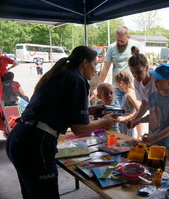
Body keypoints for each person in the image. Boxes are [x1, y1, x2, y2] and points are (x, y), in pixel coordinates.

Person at [6, 46, 119, 199]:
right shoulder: (78, 79)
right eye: (95, 65)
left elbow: (58, 108)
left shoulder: (61, 74)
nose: (96, 70)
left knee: (32, 194)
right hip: (36, 143)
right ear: (85, 62)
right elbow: (79, 128)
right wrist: (104, 121)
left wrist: (91, 110)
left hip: (20, 137)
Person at [131, 63, 169, 148]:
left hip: (165, 145)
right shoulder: (153, 96)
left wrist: (155, 137)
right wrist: (139, 120)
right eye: (155, 78)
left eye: (159, 80)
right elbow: (153, 115)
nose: (155, 82)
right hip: (151, 142)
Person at [93, 26, 143, 106]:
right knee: (117, 111)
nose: (119, 43)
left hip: (132, 86)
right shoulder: (112, 48)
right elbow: (105, 68)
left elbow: (142, 65)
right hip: (117, 87)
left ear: (128, 37)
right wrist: (99, 88)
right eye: (117, 40)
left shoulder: (136, 45)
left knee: (134, 110)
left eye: (122, 41)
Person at [126, 46, 156, 135]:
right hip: (154, 116)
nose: (135, 75)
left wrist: (138, 120)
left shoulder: (156, 80)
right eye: (132, 72)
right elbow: (144, 103)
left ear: (146, 67)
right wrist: (134, 119)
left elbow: (161, 111)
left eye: (139, 72)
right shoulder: (137, 82)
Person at [114, 71, 142, 138]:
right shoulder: (127, 93)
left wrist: (126, 118)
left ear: (121, 83)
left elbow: (139, 110)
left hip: (127, 125)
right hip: (123, 125)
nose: (118, 87)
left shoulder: (130, 94)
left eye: (117, 85)